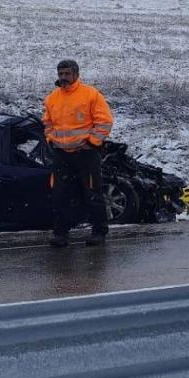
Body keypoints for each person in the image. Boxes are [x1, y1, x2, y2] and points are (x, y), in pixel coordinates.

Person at [43, 59, 114, 247]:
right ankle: (60, 234)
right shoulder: (52, 97)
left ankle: (99, 232)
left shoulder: (91, 94)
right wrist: (51, 139)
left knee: (92, 193)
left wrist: (92, 142)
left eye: (67, 74)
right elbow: (47, 123)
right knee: (60, 195)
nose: (63, 77)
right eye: (61, 74)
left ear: (76, 74)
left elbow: (105, 121)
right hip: (62, 154)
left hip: (86, 154)